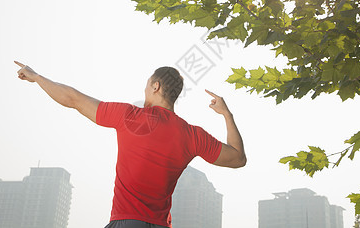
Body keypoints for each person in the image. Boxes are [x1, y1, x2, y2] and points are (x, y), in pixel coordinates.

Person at [14, 61, 246, 228]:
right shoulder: (192, 135)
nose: (144, 91)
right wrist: (227, 114)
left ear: (155, 86)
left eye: (146, 86)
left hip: (127, 222)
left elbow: (74, 99)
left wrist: (37, 78)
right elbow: (237, 159)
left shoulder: (131, 116)